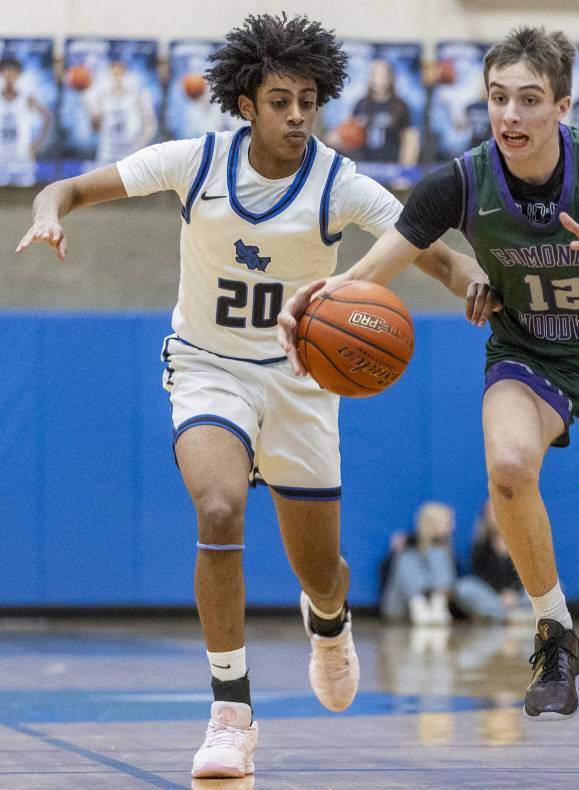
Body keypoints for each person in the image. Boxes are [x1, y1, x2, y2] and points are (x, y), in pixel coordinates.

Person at [15, 13, 492, 780]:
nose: (297, 114)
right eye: (280, 100)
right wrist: (46, 212)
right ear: (246, 104)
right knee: (218, 508)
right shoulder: (194, 162)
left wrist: (466, 273)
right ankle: (231, 713)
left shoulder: (337, 181)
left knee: (320, 574)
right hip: (208, 366)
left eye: (308, 99)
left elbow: (420, 242)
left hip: (302, 385)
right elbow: (69, 185)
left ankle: (328, 624)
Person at [281, 26, 579, 773]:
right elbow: (377, 268)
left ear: (561, 107)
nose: (510, 114)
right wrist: (315, 304)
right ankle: (553, 632)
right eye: (498, 98)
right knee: (508, 466)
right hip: (528, 354)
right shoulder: (463, 180)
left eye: (529, 100)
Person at [380, 501, 458, 626]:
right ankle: (418, 604)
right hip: (400, 604)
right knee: (406, 557)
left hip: (434, 605)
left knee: (438, 554)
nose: (452, 527)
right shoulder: (406, 544)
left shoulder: (445, 551)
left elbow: (453, 582)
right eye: (448, 522)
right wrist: (394, 553)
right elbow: (387, 577)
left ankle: (437, 603)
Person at [332, 58, 420, 167]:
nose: (378, 79)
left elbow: (410, 140)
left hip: (391, 166)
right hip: (364, 165)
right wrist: (336, 137)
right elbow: (344, 131)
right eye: (374, 74)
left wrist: (405, 171)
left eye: (382, 74)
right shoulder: (361, 104)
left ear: (390, 77)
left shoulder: (400, 106)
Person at [85, 59, 158, 167]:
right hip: (107, 154)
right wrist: (94, 117)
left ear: (128, 76)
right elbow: (95, 129)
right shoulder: (101, 97)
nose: (117, 78)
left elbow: (151, 125)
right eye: (113, 74)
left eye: (121, 74)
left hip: (131, 153)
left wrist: (141, 144)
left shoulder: (139, 96)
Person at [0, 55, 52, 186]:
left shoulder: (26, 96)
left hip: (21, 157)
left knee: (25, 199)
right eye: (5, 71)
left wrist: (38, 144)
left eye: (13, 71)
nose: (9, 75)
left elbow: (47, 117)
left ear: (19, 74)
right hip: (1, 157)